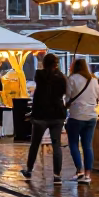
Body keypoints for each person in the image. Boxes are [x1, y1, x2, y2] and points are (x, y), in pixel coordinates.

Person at [21, 53, 67, 184]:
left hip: (41, 115)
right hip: (57, 114)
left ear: (44, 63)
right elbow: (63, 92)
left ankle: (29, 170)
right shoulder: (61, 78)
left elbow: (43, 77)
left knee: (35, 144)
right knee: (56, 144)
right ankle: (57, 175)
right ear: (56, 64)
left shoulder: (39, 75)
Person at [65, 58, 99, 184]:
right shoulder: (94, 80)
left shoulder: (72, 79)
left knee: (74, 144)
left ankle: (79, 171)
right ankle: (87, 175)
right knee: (87, 146)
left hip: (76, 116)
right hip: (91, 116)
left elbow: (68, 97)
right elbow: (98, 97)